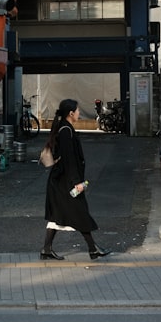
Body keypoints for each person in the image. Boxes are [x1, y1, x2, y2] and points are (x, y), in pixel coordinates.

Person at [40, 98, 111, 261]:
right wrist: (76, 182)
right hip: (64, 182)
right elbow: (69, 159)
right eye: (78, 111)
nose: (79, 113)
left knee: (60, 215)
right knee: (80, 213)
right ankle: (93, 249)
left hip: (60, 181)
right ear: (71, 113)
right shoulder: (66, 130)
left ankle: (46, 249)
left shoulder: (65, 128)